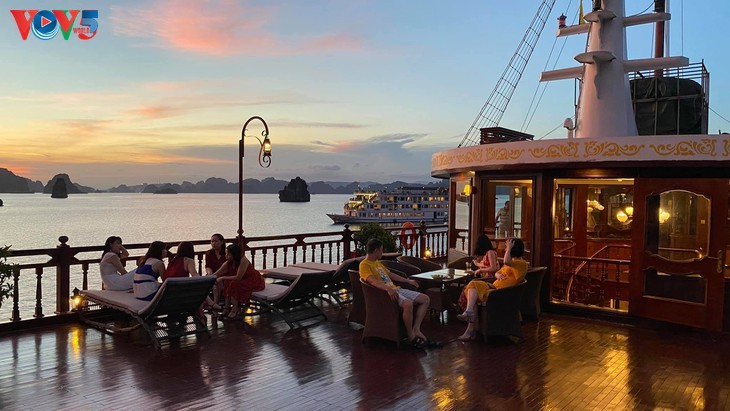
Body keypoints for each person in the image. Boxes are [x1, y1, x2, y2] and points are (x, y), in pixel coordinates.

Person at [359, 238, 436, 349]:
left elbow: (390, 274)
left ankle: (416, 329)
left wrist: (407, 281)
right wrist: (388, 289)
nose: (382, 252)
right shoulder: (364, 265)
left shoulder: (377, 263)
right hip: (384, 294)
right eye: (381, 250)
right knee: (408, 304)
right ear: (376, 250)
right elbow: (372, 281)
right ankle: (410, 335)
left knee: (425, 299)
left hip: (396, 289)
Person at [457, 238, 528, 341]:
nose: (505, 250)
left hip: (501, 294)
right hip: (494, 288)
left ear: (513, 249)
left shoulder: (520, 263)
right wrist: (498, 275)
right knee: (472, 286)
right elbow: (497, 272)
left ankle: (469, 329)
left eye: (507, 248)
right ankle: (469, 312)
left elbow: (506, 261)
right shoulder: (513, 262)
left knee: (473, 291)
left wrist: (509, 248)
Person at [213, 244, 265, 320]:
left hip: (252, 280)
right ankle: (227, 308)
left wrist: (222, 277)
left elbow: (238, 277)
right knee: (228, 282)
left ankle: (234, 309)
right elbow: (217, 273)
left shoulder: (243, 260)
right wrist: (207, 278)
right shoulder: (229, 262)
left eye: (229, 254)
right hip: (241, 280)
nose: (227, 256)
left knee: (234, 283)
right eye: (227, 253)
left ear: (235, 254)